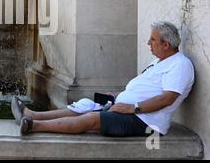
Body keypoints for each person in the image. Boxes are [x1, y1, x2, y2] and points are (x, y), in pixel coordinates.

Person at [11, 21, 195, 137]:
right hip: (133, 111)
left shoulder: (180, 65)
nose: (148, 43)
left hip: (145, 121)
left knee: (92, 118)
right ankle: (32, 115)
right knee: (84, 104)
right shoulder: (160, 61)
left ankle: (34, 126)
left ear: (166, 44)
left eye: (152, 40)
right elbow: (147, 89)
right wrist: (119, 96)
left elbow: (167, 98)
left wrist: (132, 107)